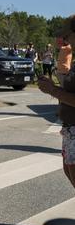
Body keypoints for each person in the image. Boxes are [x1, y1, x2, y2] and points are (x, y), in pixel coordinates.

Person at [38, 14, 75, 189]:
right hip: (70, 128)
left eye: (68, 35)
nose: (65, 39)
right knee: (69, 171)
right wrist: (53, 87)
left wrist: (52, 90)